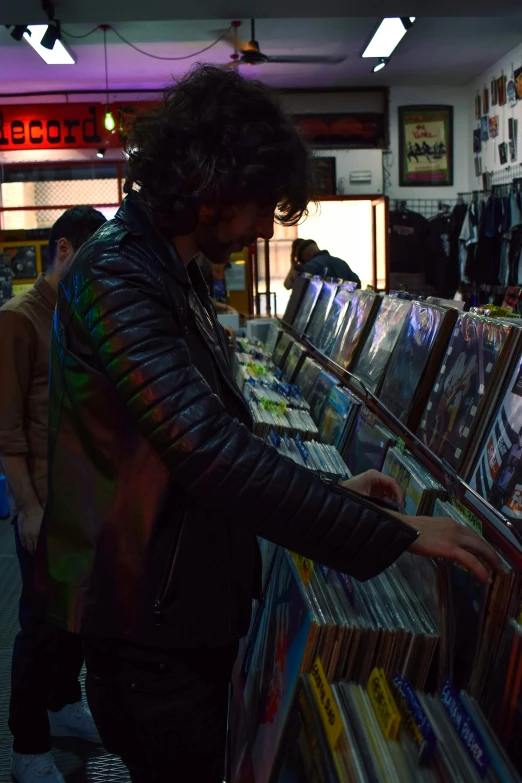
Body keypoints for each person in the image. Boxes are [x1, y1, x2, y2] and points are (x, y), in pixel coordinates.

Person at [40, 65, 499, 783]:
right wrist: (399, 533)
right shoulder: (117, 275)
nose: (263, 227)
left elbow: (205, 432)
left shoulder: (170, 267)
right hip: (151, 638)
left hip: (179, 613)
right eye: (259, 204)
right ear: (210, 184)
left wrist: (336, 493)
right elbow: (208, 452)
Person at [0, 206, 107, 783]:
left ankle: (64, 706)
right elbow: (8, 429)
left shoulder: (77, 314)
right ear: (63, 250)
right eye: (90, 261)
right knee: (38, 626)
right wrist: (29, 505)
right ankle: (27, 745)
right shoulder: (19, 320)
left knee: (76, 617)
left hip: (82, 502)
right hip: (43, 504)